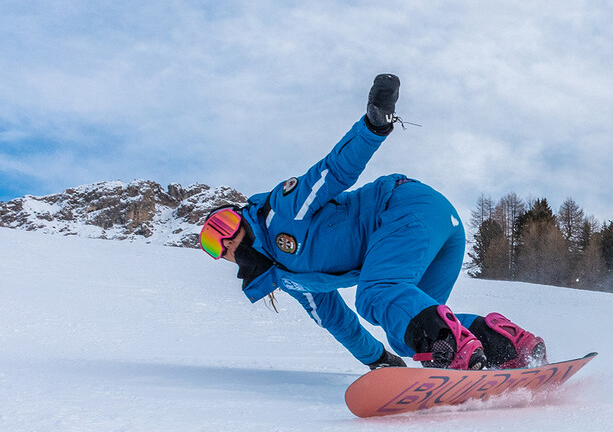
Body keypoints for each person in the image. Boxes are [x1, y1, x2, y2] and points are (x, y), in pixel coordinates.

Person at [199, 74, 546, 371]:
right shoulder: (290, 280)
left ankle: (458, 353)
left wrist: (373, 126)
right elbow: (335, 320)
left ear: (241, 216)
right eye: (212, 244)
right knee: (410, 333)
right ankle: (509, 347)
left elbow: (332, 172)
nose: (225, 242)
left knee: (376, 294)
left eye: (224, 225)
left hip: (404, 208)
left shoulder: (281, 212)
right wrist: (378, 359)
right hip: (441, 229)